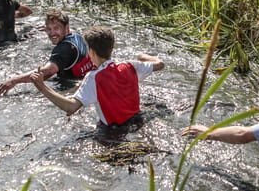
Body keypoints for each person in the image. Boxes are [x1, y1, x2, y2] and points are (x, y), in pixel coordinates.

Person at [30, 26, 164, 126]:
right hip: (138, 122)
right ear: (111, 48)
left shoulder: (93, 78)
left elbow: (70, 107)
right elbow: (160, 64)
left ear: (92, 52)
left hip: (112, 133)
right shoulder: (131, 66)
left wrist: (42, 86)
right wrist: (143, 57)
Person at [0, 9, 95, 95]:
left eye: (56, 28)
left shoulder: (64, 49)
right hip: (88, 80)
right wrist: (50, 28)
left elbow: (48, 71)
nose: (52, 33)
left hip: (72, 88)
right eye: (49, 29)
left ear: (66, 27)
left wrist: (14, 80)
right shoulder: (75, 35)